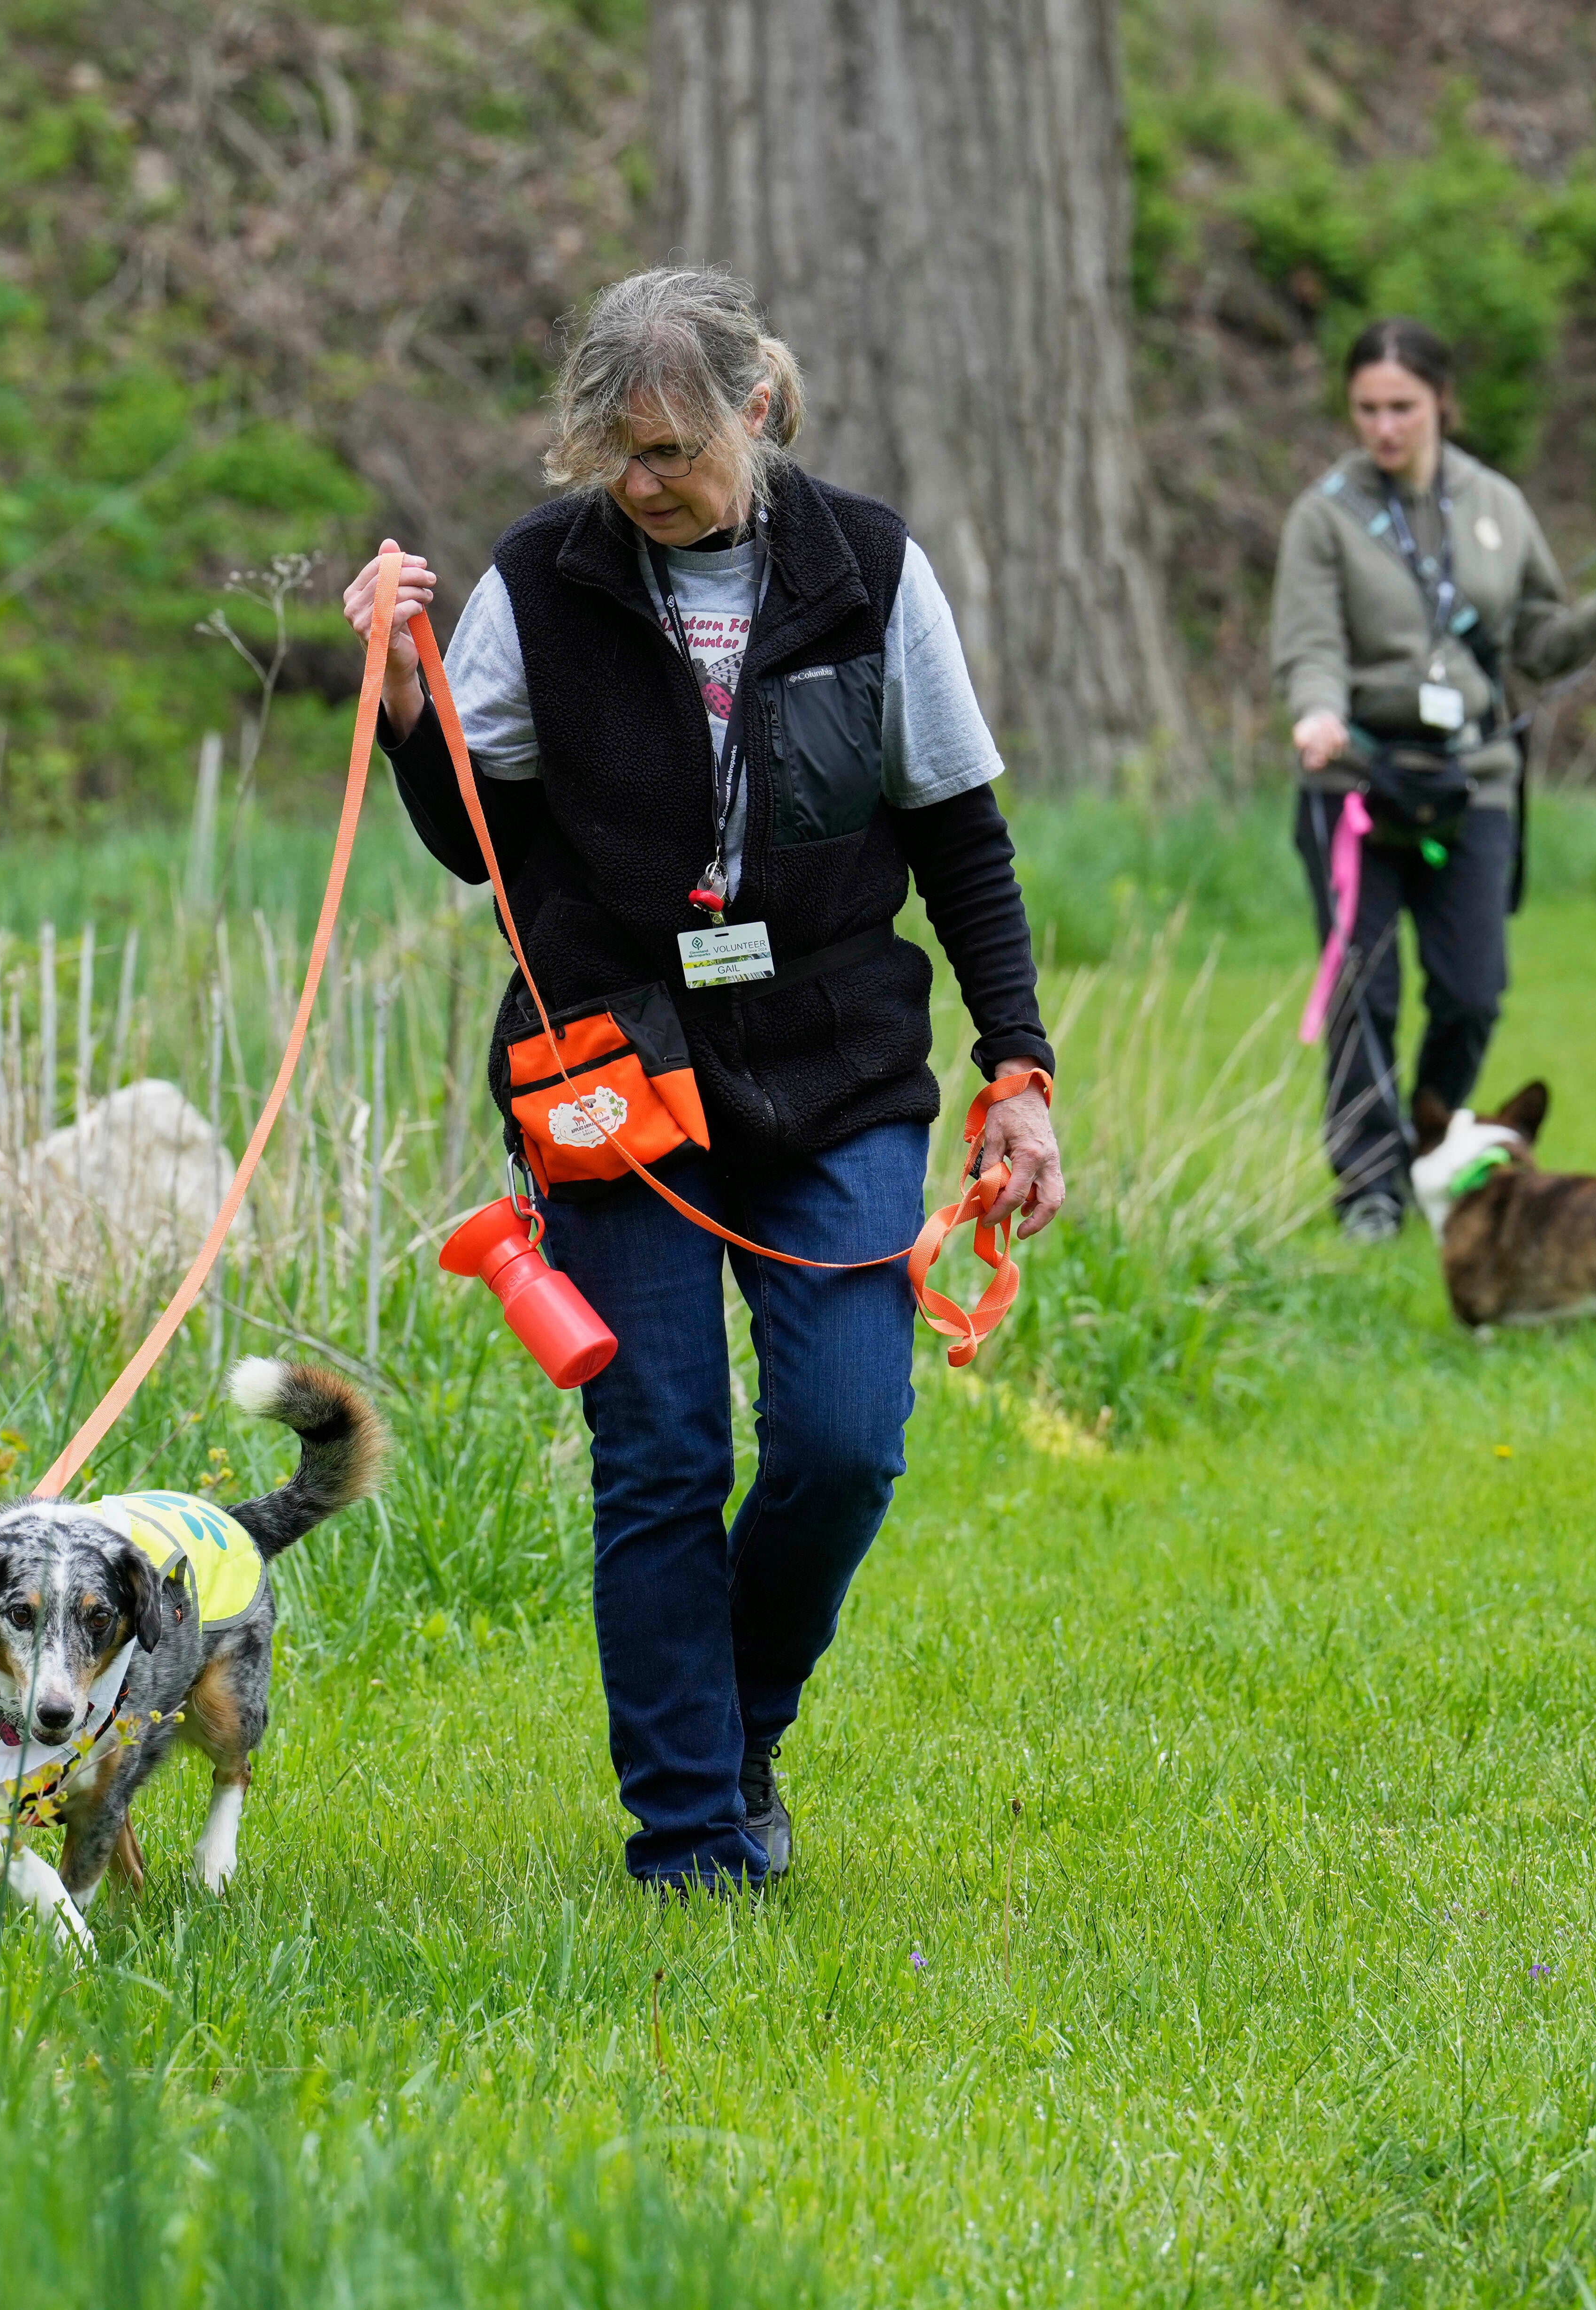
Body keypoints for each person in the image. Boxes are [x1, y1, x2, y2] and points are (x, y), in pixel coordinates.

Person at [338, 266, 1066, 1891]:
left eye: (666, 447)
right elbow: (478, 844)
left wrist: (1013, 1063)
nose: (640, 484)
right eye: (612, 455)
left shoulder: (870, 568)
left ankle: (738, 1728)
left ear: (755, 404)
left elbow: (957, 832)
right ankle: (685, 1835)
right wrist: (406, 716)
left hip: (838, 1059)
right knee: (660, 1447)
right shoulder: (536, 581)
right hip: (613, 1069)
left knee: (843, 1437)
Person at [1271, 316, 1596, 1240]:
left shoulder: (1496, 505)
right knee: (1361, 989)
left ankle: (1427, 1139)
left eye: (1402, 408)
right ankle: (1369, 1188)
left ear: (1441, 404)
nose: (1384, 428)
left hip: (1474, 782)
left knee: (1471, 992)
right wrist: (1316, 711)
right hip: (1358, 783)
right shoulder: (1325, 516)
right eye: (1367, 409)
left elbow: (1541, 642)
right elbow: (1308, 647)